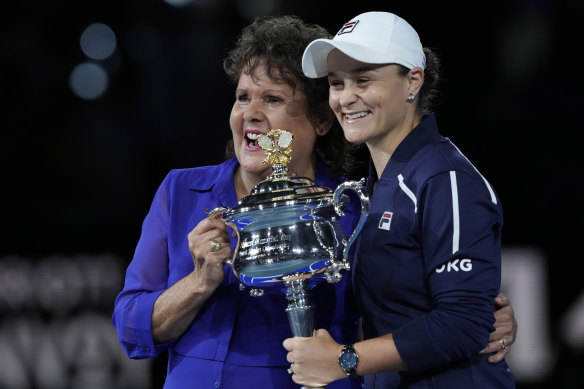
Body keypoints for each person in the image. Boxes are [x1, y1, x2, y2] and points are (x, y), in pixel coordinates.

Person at [112, 14, 516, 389]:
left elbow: (416, 310)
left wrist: (481, 319)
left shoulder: (351, 208)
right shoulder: (180, 191)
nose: (250, 114)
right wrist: (198, 284)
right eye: (241, 97)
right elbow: (130, 330)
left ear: (323, 120)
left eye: (272, 100)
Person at [283, 11, 517, 388]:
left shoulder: (446, 179)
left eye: (363, 80)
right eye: (336, 83)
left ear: (412, 81)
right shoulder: (374, 186)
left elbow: (463, 323)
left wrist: (343, 360)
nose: (345, 98)